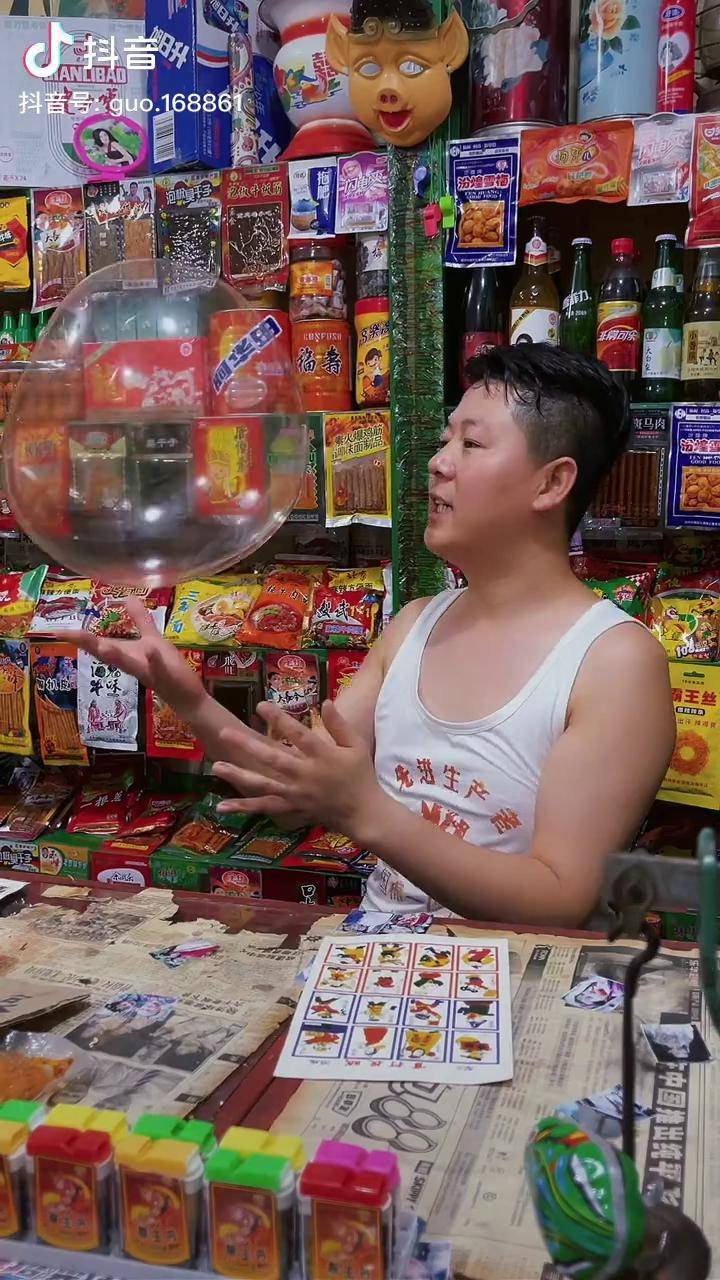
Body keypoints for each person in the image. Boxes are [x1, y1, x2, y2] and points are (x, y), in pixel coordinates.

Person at [69, 346, 675, 927]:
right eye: (445, 439)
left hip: (507, 1000)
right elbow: (294, 780)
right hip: (379, 974)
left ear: (552, 484)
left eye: (472, 443)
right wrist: (189, 699)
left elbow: (560, 898)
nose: (439, 462)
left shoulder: (614, 662)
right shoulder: (414, 624)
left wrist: (367, 812)